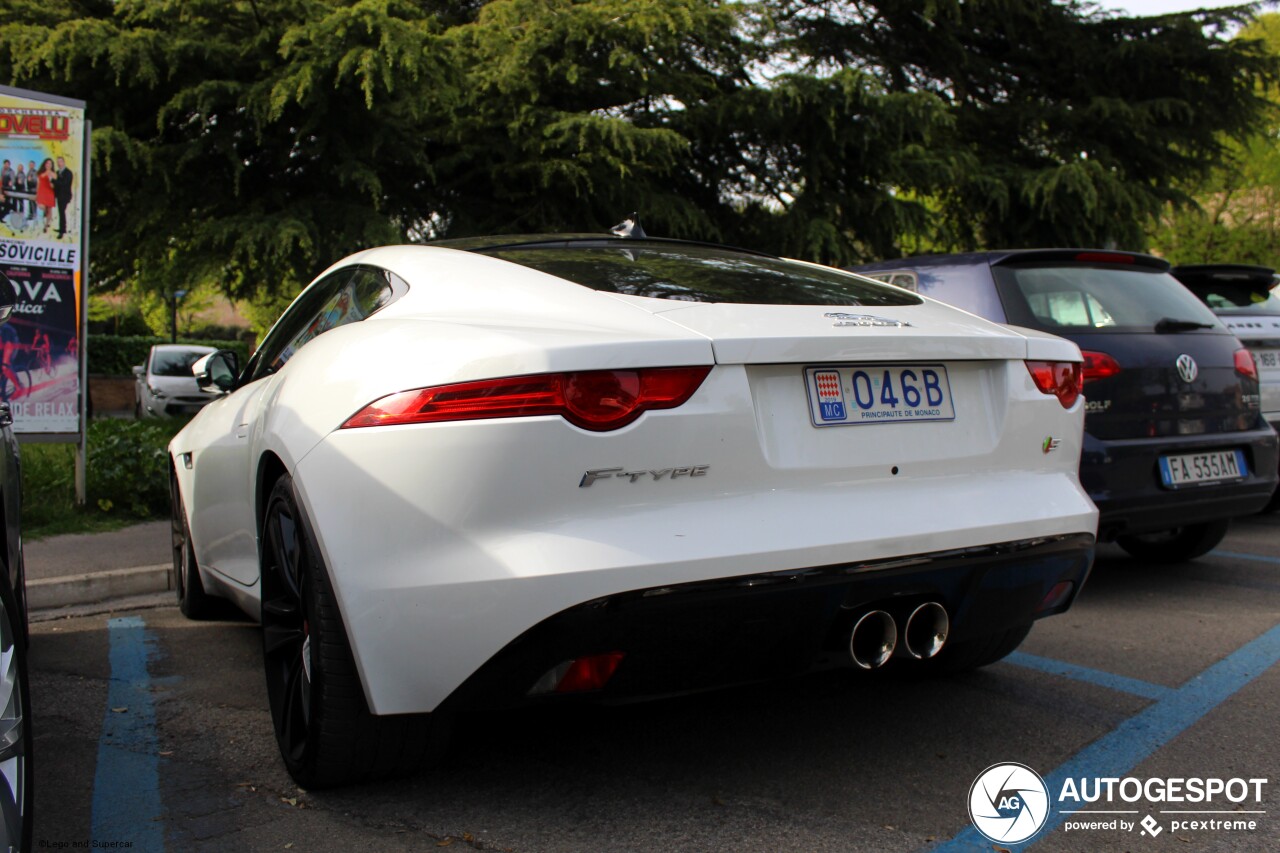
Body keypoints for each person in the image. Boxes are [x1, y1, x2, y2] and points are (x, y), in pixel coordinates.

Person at [54, 156, 74, 238]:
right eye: (58, 162)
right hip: (59, 195)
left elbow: (64, 184)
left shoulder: (68, 172)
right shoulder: (57, 172)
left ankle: (62, 230)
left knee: (62, 212)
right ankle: (62, 228)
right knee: (60, 212)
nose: (59, 163)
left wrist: (54, 181)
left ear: (63, 162)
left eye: (60, 161)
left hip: (65, 195)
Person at [35, 159, 55, 234]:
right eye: (47, 163)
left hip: (49, 192)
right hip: (41, 192)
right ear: (44, 164)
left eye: (50, 163)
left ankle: (46, 226)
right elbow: (38, 183)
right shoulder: (40, 172)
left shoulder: (52, 173)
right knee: (42, 206)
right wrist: (37, 193)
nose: (48, 164)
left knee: (49, 209)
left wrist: (53, 185)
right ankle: (45, 215)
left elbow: (55, 183)